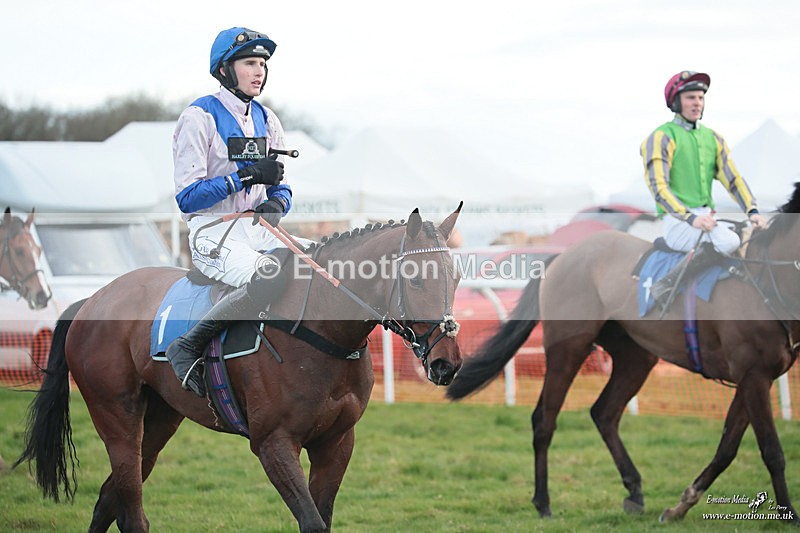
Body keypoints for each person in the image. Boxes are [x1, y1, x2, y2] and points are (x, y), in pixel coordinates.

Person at [166, 27, 305, 396]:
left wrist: (278, 202)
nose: (259, 71)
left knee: (321, 261)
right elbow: (188, 198)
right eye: (249, 63)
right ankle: (187, 346)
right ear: (225, 70)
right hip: (212, 230)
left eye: (262, 64)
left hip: (257, 229)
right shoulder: (198, 117)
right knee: (271, 276)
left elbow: (282, 185)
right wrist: (244, 177)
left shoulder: (268, 119)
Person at [641, 70, 767, 305]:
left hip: (706, 218)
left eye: (700, 98)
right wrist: (690, 218)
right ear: (676, 102)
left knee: (744, 235)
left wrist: (753, 212)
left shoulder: (714, 138)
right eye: (691, 98)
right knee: (730, 242)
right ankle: (667, 283)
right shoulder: (661, 137)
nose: (697, 103)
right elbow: (658, 187)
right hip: (677, 222)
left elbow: (733, 179)